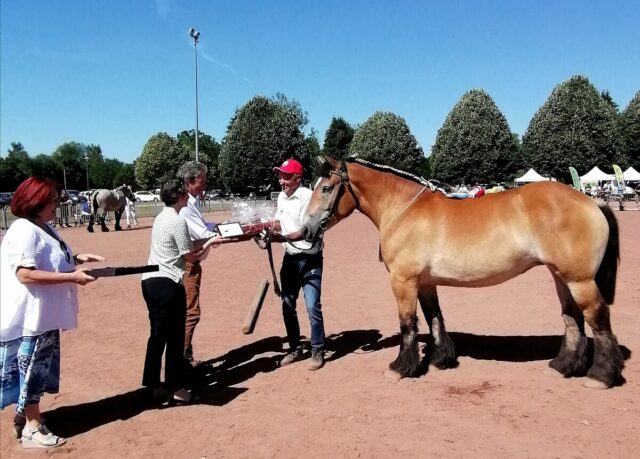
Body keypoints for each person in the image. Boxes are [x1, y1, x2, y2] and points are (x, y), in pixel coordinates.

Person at [0, 177, 105, 449]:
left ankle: (26, 416)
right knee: (34, 370)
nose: (57, 206)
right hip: (33, 318)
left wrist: (78, 258)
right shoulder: (25, 229)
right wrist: (71, 278)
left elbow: (50, 257)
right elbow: (25, 273)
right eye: (53, 201)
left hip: (44, 316)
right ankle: (33, 429)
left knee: (38, 369)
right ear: (36, 201)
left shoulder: (40, 226)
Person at [140, 178, 222, 404]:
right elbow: (190, 256)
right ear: (178, 197)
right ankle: (177, 388)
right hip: (168, 283)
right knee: (175, 338)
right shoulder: (177, 221)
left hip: (149, 281)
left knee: (157, 336)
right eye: (184, 194)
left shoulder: (160, 217)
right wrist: (211, 241)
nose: (188, 197)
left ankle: (153, 384)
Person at [271, 158, 326, 370]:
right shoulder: (281, 199)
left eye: (285, 176)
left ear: (297, 178)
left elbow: (305, 230)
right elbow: (278, 223)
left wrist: (283, 238)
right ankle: (294, 348)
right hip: (290, 259)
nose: (281, 180)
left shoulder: (308, 197)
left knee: (312, 306)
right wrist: (263, 228)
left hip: (310, 257)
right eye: (279, 175)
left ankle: (318, 349)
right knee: (287, 305)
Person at [175, 161, 219, 366]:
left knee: (187, 312)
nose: (205, 185)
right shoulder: (186, 206)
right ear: (189, 181)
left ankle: (186, 358)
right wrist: (232, 233)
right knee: (190, 313)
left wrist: (220, 226)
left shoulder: (189, 203)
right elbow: (203, 235)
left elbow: (203, 226)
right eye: (202, 181)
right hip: (187, 264)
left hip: (188, 263)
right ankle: (182, 362)